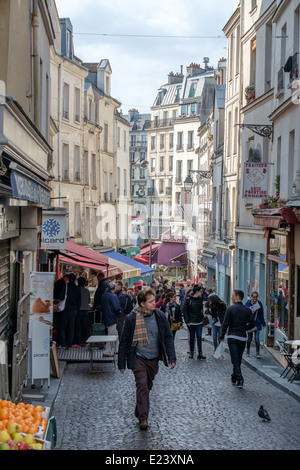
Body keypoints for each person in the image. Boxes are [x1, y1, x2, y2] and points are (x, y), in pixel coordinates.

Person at [118, 288, 176, 431]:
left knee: (147, 387)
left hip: (154, 358)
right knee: (142, 386)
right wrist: (121, 362)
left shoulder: (160, 316)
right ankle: (143, 418)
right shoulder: (132, 318)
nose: (154, 303)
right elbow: (124, 341)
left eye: (154, 300)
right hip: (138, 357)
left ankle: (139, 409)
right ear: (142, 304)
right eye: (150, 301)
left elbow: (168, 337)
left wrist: (171, 357)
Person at [220, 289, 256, 388]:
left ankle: (239, 379)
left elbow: (225, 323)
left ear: (237, 297)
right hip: (242, 338)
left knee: (235, 359)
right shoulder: (247, 310)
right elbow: (253, 323)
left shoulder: (230, 309)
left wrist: (222, 335)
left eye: (233, 296)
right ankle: (234, 376)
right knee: (237, 359)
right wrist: (245, 328)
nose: (231, 298)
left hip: (232, 336)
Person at [182, 285, 206, 360]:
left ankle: (200, 353)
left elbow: (201, 309)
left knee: (199, 337)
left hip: (199, 322)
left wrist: (202, 316)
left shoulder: (200, 299)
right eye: (200, 291)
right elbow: (184, 311)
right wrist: (187, 321)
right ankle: (192, 352)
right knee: (192, 338)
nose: (202, 292)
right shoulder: (188, 300)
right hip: (191, 322)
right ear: (197, 292)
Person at [59, 273, 81, 349]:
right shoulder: (77, 288)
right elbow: (79, 300)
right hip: (74, 310)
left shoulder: (66, 286)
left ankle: (63, 344)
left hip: (67, 309)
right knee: (72, 327)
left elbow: (61, 297)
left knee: (62, 327)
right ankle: (69, 344)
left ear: (68, 279)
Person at [101, 282, 122, 350]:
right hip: (112, 318)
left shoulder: (104, 295)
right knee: (112, 335)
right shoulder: (112, 296)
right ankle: (108, 351)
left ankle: (116, 349)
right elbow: (116, 308)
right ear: (114, 288)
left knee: (113, 334)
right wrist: (120, 312)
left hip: (106, 317)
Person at [245, 292, 266, 358]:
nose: (255, 298)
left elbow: (261, 314)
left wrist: (263, 323)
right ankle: (248, 351)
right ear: (251, 297)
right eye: (254, 297)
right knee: (249, 339)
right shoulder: (247, 303)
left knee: (257, 338)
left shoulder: (259, 304)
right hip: (250, 324)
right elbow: (245, 313)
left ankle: (257, 353)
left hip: (257, 323)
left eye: (256, 297)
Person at [74, 277, 91, 347]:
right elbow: (89, 301)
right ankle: (85, 340)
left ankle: (78, 341)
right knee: (84, 326)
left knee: (78, 326)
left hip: (78, 310)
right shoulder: (87, 291)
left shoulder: (77, 290)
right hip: (85, 310)